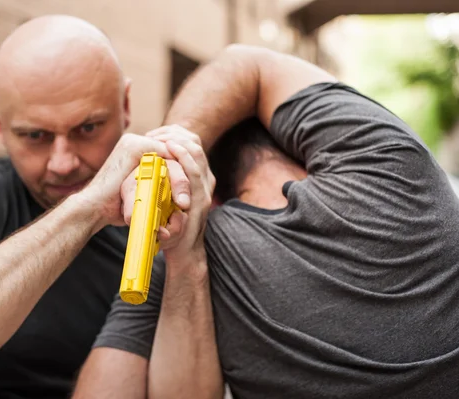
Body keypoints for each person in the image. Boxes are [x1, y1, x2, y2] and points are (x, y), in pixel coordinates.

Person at [74, 45, 459, 398]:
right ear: (299, 140)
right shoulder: (389, 164)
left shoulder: (192, 247)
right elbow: (248, 64)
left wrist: (180, 235)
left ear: (215, 197)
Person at [0, 15, 215, 398]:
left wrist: (187, 256)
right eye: (35, 136)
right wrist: (87, 208)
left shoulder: (160, 217)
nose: (63, 162)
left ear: (125, 105)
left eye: (87, 128)